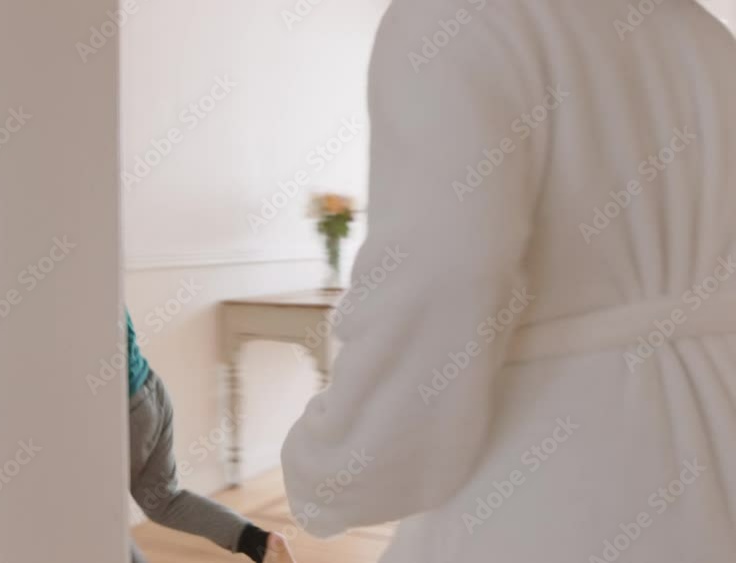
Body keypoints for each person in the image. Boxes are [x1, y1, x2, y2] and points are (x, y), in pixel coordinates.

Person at [281, 0, 736, 561]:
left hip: (555, 483)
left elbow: (439, 278)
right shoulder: (711, 40)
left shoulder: (455, 16)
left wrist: (331, 466)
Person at [126, 310, 297, 563]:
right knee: (164, 499)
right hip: (149, 389)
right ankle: (261, 544)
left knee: (90, 516)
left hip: (124, 410)